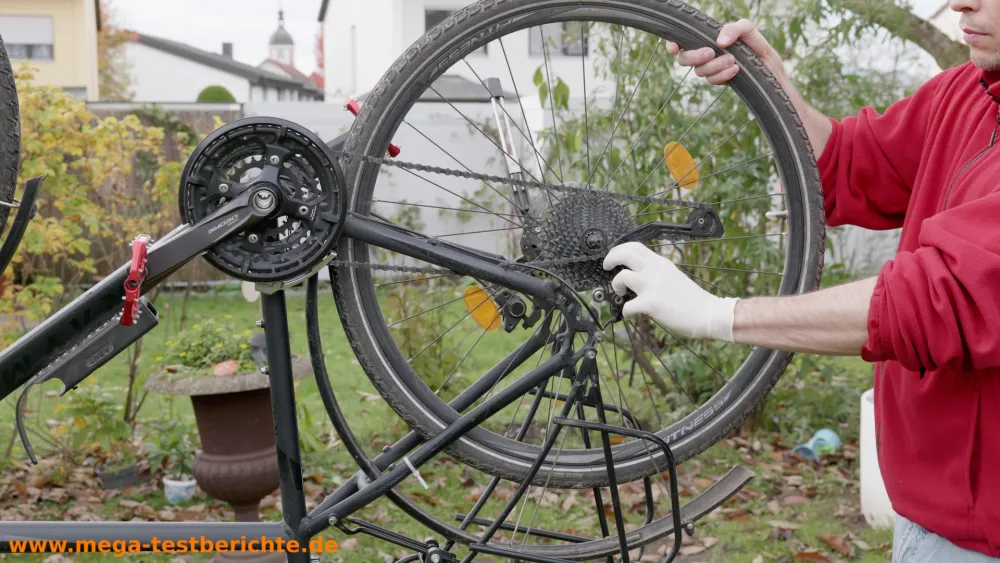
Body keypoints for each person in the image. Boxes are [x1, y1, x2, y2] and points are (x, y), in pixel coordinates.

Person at [602, 1, 1000, 561]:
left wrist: (719, 313)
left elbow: (941, 296)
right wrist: (770, 81)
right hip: (932, 516)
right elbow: (846, 163)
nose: (962, 1)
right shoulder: (969, 91)